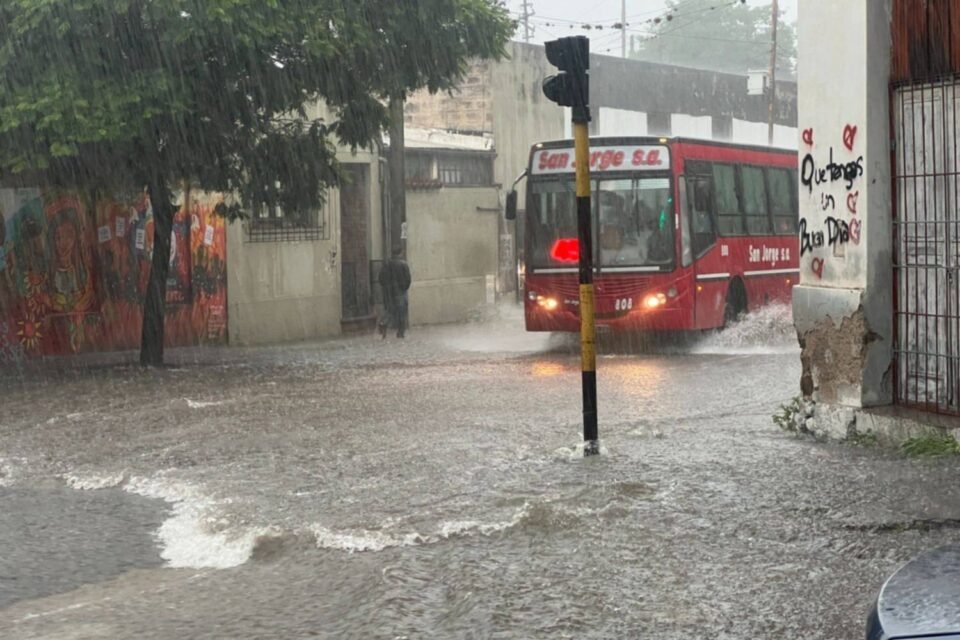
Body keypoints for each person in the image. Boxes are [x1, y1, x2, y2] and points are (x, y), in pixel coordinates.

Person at [378, 248, 411, 339]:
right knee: (402, 312)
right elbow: (408, 279)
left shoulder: (387, 264)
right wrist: (403, 287)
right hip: (400, 291)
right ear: (401, 252)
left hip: (389, 292)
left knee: (389, 310)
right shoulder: (403, 264)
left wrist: (387, 287)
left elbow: (381, 278)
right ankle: (400, 332)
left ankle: (383, 323)